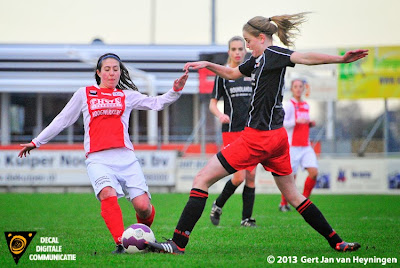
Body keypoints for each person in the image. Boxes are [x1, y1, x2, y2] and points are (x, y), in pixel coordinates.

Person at [146, 13, 367, 255]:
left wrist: (341, 59)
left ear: (261, 38)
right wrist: (208, 65)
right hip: (277, 139)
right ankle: (337, 241)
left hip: (258, 138)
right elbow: (231, 73)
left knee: (201, 179)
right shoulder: (259, 59)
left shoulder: (274, 54)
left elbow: (304, 57)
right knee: (293, 195)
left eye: (247, 41)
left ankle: (177, 244)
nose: (246, 46)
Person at [18, 53, 189, 254]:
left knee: (143, 207)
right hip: (98, 158)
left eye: (115, 69)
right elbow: (63, 119)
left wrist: (175, 90)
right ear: (98, 72)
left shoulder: (126, 96)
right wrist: (36, 142)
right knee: (107, 193)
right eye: (107, 69)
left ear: (120, 72)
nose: (111, 73)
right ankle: (121, 243)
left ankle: (141, 236)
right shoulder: (85, 94)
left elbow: (157, 103)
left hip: (126, 158)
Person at [208, 36, 257, 227]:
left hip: (252, 131)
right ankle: (218, 204)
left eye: (240, 49)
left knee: (251, 175)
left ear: (245, 51)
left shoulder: (252, 72)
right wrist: (220, 115)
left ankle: (246, 219)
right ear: (229, 51)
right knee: (239, 176)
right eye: (233, 49)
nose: (237, 52)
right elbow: (213, 104)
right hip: (231, 131)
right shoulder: (223, 74)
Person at [279, 79, 318, 212]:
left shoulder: (306, 105)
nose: (298, 89)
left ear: (303, 89)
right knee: (291, 178)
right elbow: (283, 123)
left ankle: (304, 202)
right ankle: (283, 203)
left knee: (314, 173)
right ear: (292, 88)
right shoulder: (289, 105)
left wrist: (310, 124)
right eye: (295, 86)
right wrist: (296, 121)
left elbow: (304, 124)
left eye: (300, 86)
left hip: (305, 145)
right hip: (292, 146)